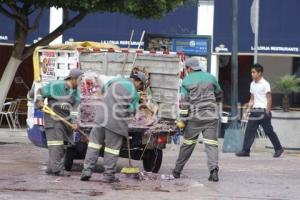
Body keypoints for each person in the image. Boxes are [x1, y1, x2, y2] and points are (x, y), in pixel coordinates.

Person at [80, 71, 145, 183]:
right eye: (141, 85)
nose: (140, 87)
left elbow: (104, 89)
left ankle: (86, 171)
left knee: (93, 146)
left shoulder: (115, 80)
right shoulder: (134, 93)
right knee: (112, 149)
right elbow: (132, 111)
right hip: (115, 123)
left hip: (100, 118)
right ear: (137, 81)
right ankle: (109, 175)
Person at [172, 57, 223, 182]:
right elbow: (220, 93)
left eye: (187, 69)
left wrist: (183, 121)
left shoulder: (186, 81)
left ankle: (177, 171)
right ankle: (213, 171)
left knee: (188, 144)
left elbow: (184, 104)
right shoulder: (211, 77)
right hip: (211, 116)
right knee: (211, 145)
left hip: (195, 117)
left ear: (189, 68)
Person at [36, 68, 83, 176]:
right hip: (53, 119)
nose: (81, 83)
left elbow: (75, 110)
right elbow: (40, 92)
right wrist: (40, 101)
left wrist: (75, 122)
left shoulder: (76, 93)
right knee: (56, 144)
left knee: (63, 146)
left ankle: (51, 168)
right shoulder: (56, 85)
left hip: (65, 121)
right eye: (80, 80)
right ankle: (57, 169)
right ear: (73, 79)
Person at [236, 64, 284, 157]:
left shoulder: (265, 84)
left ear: (259, 73)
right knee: (249, 130)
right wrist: (247, 112)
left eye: (254, 72)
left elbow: (269, 98)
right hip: (254, 111)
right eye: (251, 72)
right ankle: (245, 151)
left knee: (269, 131)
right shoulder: (252, 84)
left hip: (263, 111)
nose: (252, 74)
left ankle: (278, 148)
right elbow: (252, 99)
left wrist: (267, 111)